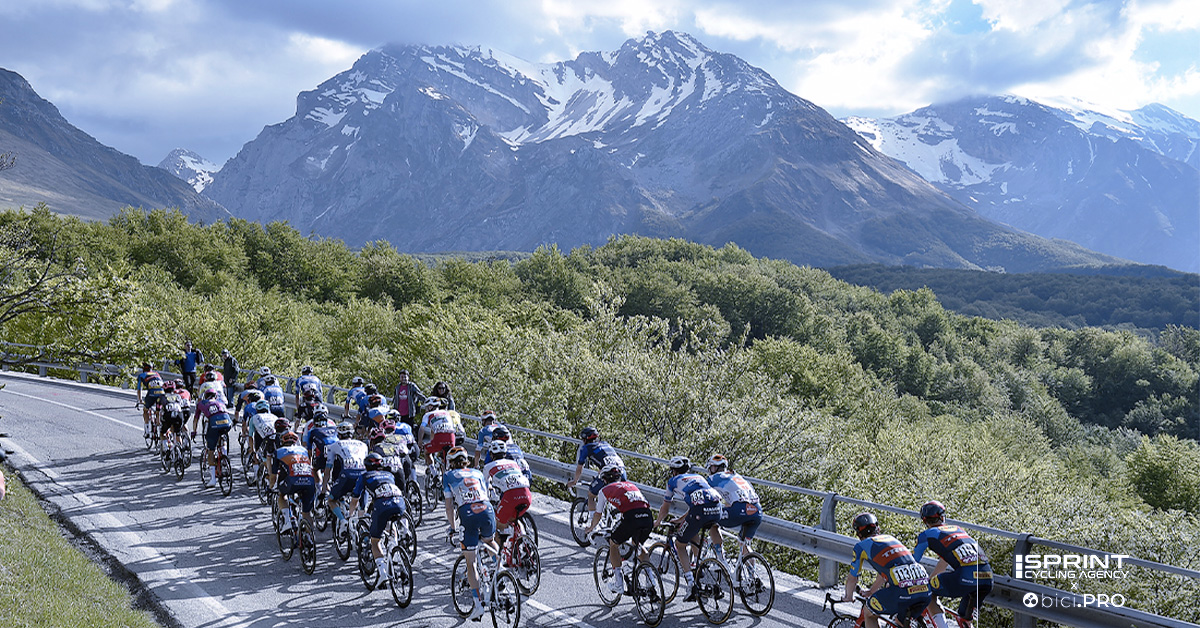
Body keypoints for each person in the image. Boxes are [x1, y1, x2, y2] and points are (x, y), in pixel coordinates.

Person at [844, 512, 932, 628]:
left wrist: (848, 596)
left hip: (902, 593)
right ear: (878, 529)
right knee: (900, 622)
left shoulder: (861, 546)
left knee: (869, 612)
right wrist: (871, 591)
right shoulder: (891, 539)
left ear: (858, 533)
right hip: (925, 591)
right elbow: (885, 572)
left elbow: (852, 578)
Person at [654, 455, 723, 602]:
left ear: (674, 471)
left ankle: (691, 584)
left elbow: (665, 507)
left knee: (680, 545)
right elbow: (696, 504)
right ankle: (700, 567)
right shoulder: (698, 477)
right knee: (692, 533)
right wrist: (680, 519)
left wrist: (658, 521)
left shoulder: (673, 481)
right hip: (717, 509)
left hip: (699, 512)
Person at [913, 501, 992, 628]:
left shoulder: (926, 535)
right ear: (943, 517)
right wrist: (932, 579)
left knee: (927, 591)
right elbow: (944, 561)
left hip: (966, 578)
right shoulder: (958, 530)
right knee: (964, 619)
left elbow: (910, 562)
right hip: (987, 579)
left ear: (924, 521)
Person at [443, 446, 496, 621]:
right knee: (489, 541)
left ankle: (478, 604)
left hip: (468, 513)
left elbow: (449, 507)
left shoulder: (448, 476)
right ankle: (501, 572)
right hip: (487, 508)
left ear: (451, 462)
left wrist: (452, 528)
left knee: (471, 561)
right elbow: (486, 492)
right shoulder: (477, 472)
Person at [585, 462, 653, 594]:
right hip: (647, 516)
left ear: (604, 479)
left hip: (632, 517)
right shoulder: (631, 485)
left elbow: (598, 514)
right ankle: (651, 579)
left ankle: (618, 583)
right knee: (637, 544)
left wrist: (591, 528)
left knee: (613, 544)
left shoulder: (604, 490)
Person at [348, 452, 408, 589]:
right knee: (391, 524)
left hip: (382, 505)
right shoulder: (389, 475)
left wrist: (351, 515)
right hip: (399, 502)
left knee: (375, 541)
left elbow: (355, 499)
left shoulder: (364, 476)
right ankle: (395, 550)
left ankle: (382, 573)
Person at [705, 454, 763, 573]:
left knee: (712, 521)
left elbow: (701, 492)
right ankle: (753, 577)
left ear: (715, 468)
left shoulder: (714, 478)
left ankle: (721, 560)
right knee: (743, 543)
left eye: (710, 467)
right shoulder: (736, 476)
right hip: (757, 511)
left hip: (740, 510)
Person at [566, 427, 625, 533]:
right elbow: (606, 460)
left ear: (585, 439)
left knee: (591, 495)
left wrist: (575, 481)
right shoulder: (605, 444)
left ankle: (595, 525)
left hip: (609, 473)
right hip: (622, 471)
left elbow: (580, 467)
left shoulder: (586, 448)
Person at [482, 440, 533, 545]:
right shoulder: (514, 463)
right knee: (513, 518)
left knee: (495, 524)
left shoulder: (488, 466)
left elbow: (484, 487)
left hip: (510, 496)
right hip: (527, 494)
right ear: (505, 453)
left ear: (491, 455)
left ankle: (500, 554)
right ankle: (524, 545)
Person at [273, 431, 317, 536]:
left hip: (293, 481)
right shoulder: (304, 450)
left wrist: (272, 486)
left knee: (282, 495)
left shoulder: (279, 451)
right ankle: (310, 537)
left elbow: (273, 475)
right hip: (310, 482)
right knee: (306, 513)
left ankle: (287, 521)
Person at [325, 420, 368, 523]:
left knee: (331, 500)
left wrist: (324, 488)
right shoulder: (363, 445)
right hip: (363, 475)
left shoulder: (335, 445)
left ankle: (343, 521)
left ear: (339, 434)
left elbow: (328, 469)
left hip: (347, 476)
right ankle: (362, 527)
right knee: (361, 504)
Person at [191, 388, 233, 488]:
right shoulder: (220, 401)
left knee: (211, 450)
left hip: (214, 423)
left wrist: (194, 431)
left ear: (205, 396)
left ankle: (213, 479)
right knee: (221, 439)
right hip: (227, 422)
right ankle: (224, 456)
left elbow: (196, 418)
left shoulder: (201, 403)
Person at [417, 397, 463, 468]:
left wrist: (420, 441)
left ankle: (434, 474)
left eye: (426, 407)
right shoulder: (447, 413)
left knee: (426, 452)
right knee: (449, 457)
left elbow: (421, 429)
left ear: (430, 407)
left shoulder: (428, 415)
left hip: (439, 438)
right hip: (451, 437)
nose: (426, 410)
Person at [303, 409, 339, 495]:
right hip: (338, 454)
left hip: (325, 454)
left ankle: (320, 488)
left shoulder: (312, 431)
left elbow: (309, 449)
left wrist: (309, 462)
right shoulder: (334, 428)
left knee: (315, 469)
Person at [156, 381, 189, 459]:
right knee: (178, 434)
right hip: (179, 415)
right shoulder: (178, 396)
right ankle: (180, 452)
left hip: (168, 416)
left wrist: (158, 421)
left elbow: (157, 411)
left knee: (162, 433)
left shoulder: (161, 397)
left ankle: (166, 449)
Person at [135, 363, 165, 437]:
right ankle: (159, 424)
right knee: (158, 411)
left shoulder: (142, 375)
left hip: (152, 394)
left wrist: (139, 400)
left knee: (145, 410)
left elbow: (139, 389)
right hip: (162, 394)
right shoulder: (157, 374)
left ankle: (147, 431)